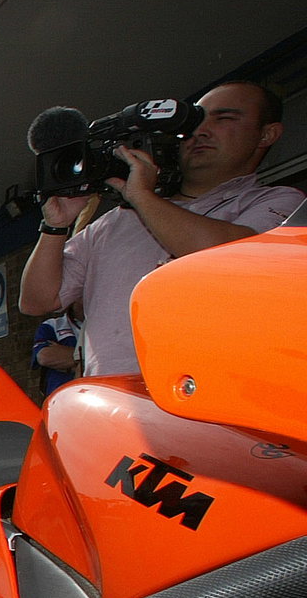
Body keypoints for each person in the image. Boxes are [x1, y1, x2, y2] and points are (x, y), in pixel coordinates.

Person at [19, 80, 303, 376]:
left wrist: (142, 195)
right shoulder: (116, 220)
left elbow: (228, 256)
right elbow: (37, 301)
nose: (201, 131)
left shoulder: (280, 202)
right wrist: (55, 227)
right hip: (113, 409)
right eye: (196, 120)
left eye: (225, 118)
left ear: (267, 134)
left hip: (207, 404)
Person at [31, 312, 79, 396]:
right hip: (61, 396)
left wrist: (70, 365)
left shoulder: (104, 326)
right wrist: (90, 359)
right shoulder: (53, 325)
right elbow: (45, 357)